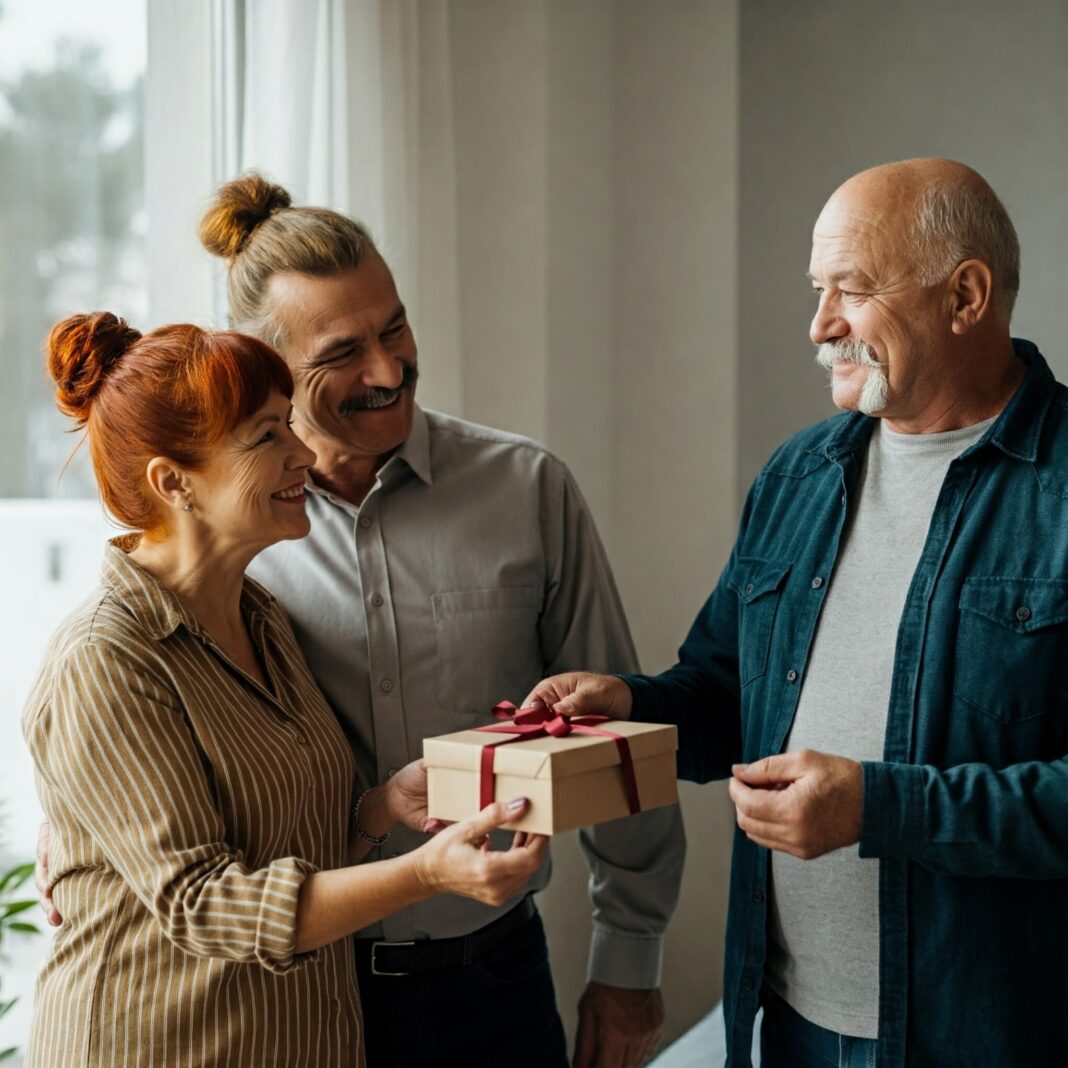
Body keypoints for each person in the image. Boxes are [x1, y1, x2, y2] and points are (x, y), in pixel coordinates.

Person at [37, 177, 687, 1066]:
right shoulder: (237, 551)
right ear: (270, 368)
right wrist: (85, 837)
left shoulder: (523, 490)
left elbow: (617, 733)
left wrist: (629, 959)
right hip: (296, 999)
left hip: (489, 983)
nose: (387, 370)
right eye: (343, 351)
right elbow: (149, 773)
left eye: (395, 329)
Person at [526, 158, 1068, 1067]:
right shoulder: (800, 475)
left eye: (851, 291)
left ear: (966, 296)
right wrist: (632, 705)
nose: (819, 327)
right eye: (819, 290)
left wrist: (882, 809)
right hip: (788, 1023)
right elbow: (729, 691)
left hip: (993, 1035)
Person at [24, 313, 546, 1067]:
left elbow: (278, 847)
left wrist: (378, 809)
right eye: (268, 436)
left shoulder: (260, 616)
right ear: (174, 483)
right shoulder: (105, 660)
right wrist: (425, 873)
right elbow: (206, 903)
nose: (304, 453)